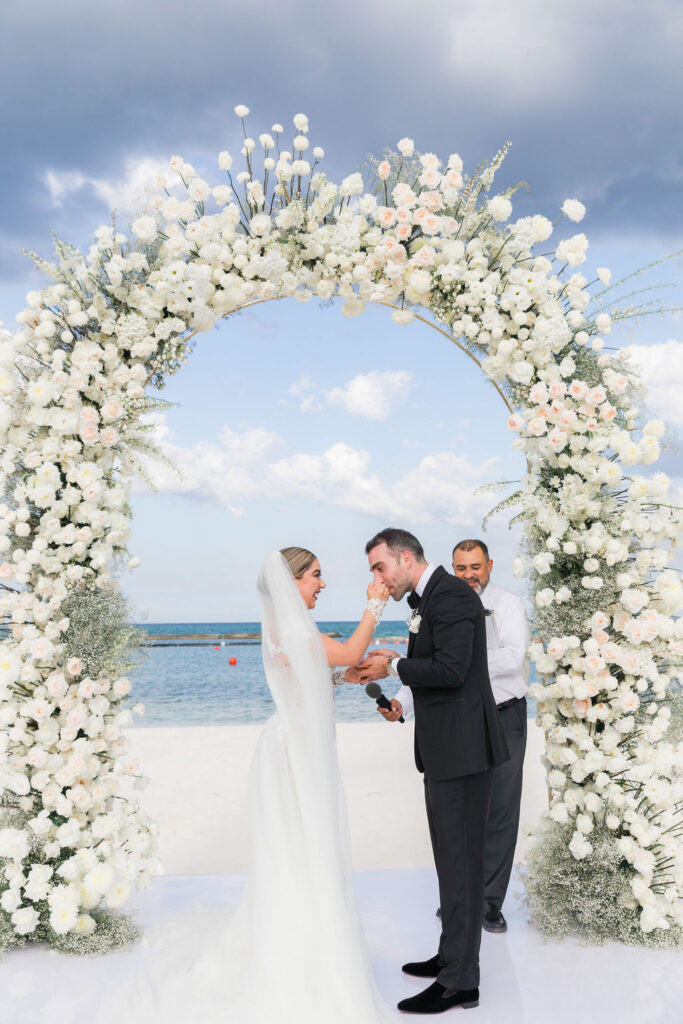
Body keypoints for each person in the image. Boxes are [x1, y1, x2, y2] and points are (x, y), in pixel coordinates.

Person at [96, 548, 395, 1024]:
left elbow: (314, 676)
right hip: (294, 754)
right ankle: (304, 961)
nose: (321, 585)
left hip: (301, 747)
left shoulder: (293, 629)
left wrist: (342, 677)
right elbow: (353, 649)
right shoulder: (295, 627)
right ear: (292, 581)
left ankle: (313, 947)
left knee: (307, 850)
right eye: (316, 576)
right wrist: (374, 606)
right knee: (303, 850)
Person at [360, 528, 509, 1015]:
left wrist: (394, 665)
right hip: (446, 751)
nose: (379, 579)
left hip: (464, 755)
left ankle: (461, 983)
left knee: (462, 868)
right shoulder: (429, 600)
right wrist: (400, 690)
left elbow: (450, 670)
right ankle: (451, 957)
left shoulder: (454, 599)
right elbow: (430, 670)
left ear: (405, 558)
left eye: (380, 567)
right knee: (452, 864)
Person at [382, 539, 530, 935]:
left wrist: (460, 659)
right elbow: (426, 668)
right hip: (462, 719)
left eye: (475, 567)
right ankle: (461, 900)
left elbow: (513, 658)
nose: (468, 575)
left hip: (504, 714)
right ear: (452, 566)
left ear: (490, 565)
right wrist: (400, 703)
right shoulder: (436, 605)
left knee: (500, 810)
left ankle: (490, 902)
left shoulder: (509, 605)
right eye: (461, 567)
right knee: (461, 816)